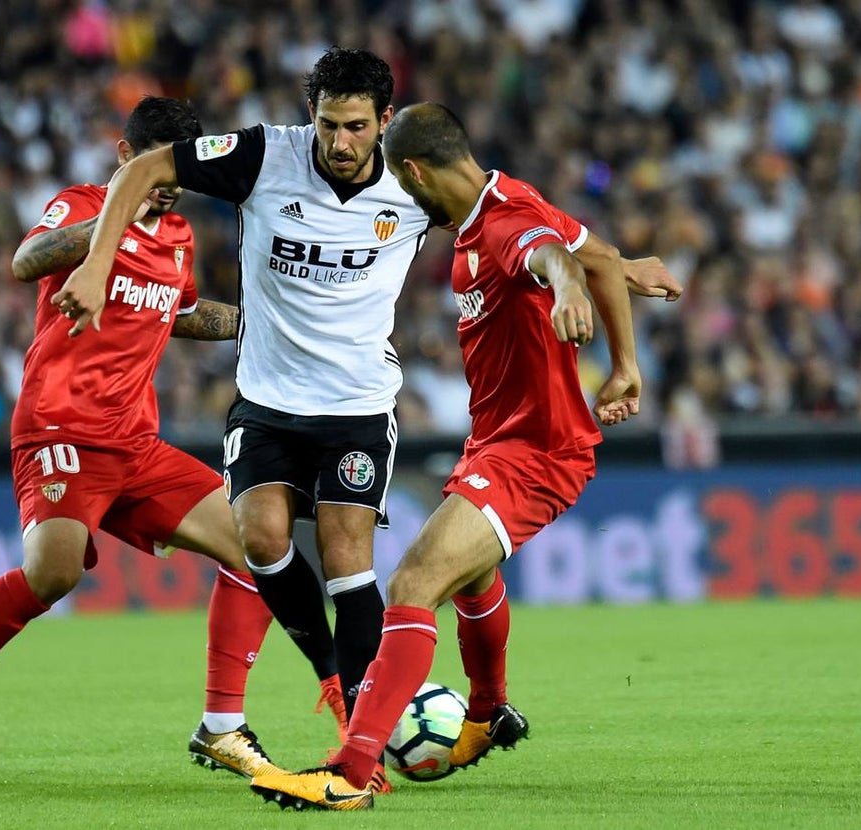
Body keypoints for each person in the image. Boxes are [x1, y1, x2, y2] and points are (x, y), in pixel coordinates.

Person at [52, 49, 681, 796]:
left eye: (356, 127)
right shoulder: (262, 156)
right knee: (261, 540)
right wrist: (95, 262)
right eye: (327, 124)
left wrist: (603, 269)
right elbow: (144, 169)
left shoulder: (417, 184)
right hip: (267, 397)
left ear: (385, 126)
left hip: (357, 406)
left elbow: (536, 236)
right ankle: (408, 692)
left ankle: (359, 736)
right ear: (309, 114)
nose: (340, 142)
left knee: (356, 560)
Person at [0, 96, 346, 789]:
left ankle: (221, 726)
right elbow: (26, 259)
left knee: (258, 546)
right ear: (126, 158)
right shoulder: (79, 205)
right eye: (157, 176)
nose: (168, 191)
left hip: (135, 442)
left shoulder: (180, 237)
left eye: (178, 180)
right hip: (61, 426)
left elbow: (182, 314)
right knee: (55, 575)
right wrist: (111, 227)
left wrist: (263, 323)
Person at [249, 101, 644, 811]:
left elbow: (552, 255)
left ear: (414, 170)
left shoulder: (502, 226)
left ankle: (351, 769)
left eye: (399, 182)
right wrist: (625, 362)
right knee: (471, 577)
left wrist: (568, 285)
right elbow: (603, 255)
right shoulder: (497, 199)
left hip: (536, 450)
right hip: (496, 437)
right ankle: (489, 712)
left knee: (410, 587)